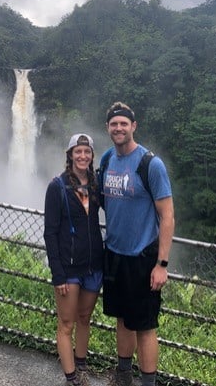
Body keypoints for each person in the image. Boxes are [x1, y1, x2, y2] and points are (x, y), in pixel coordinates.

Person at [99, 102, 175, 386]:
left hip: (143, 257)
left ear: (134, 126)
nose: (118, 128)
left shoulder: (150, 164)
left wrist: (161, 264)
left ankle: (148, 383)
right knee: (121, 318)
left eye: (123, 123)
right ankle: (122, 376)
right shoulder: (107, 160)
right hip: (115, 253)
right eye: (113, 124)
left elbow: (167, 216)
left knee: (144, 326)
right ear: (107, 128)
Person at [44, 133, 104, 386]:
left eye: (87, 151)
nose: (82, 156)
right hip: (68, 269)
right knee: (67, 323)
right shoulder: (57, 187)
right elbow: (50, 232)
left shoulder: (95, 184)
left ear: (91, 156)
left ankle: (82, 367)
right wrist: (57, 274)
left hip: (93, 266)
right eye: (77, 151)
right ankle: (72, 379)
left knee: (84, 319)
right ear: (70, 155)